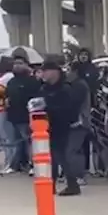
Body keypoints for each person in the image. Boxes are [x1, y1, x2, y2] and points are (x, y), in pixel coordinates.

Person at [38, 58, 86, 196]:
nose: (43, 75)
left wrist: (49, 107)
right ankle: (51, 184)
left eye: (45, 71)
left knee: (62, 155)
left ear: (54, 72)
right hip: (47, 126)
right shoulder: (44, 88)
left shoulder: (66, 88)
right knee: (51, 157)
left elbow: (69, 108)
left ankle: (72, 184)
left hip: (64, 126)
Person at [0, 55, 39, 174]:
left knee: (29, 141)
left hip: (26, 116)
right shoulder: (12, 81)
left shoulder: (32, 81)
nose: (17, 66)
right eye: (15, 63)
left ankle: (33, 164)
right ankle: (16, 164)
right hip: (13, 116)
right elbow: (2, 96)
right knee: (16, 142)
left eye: (20, 63)